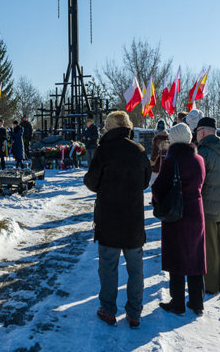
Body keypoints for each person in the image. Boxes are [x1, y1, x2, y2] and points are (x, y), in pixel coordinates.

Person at [83, 111, 151, 328]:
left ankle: (108, 310)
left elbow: (92, 183)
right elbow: (145, 181)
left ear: (109, 128)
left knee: (108, 267)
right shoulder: (138, 150)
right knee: (135, 268)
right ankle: (134, 313)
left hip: (109, 219)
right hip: (133, 219)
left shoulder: (104, 151)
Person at [152, 123, 206, 316]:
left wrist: (159, 203)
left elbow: (157, 188)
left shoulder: (171, 160)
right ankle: (197, 302)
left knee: (177, 257)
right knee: (195, 256)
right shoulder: (199, 159)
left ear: (172, 139)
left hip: (177, 214)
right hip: (196, 213)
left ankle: (178, 304)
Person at [196, 117, 220, 294]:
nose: (196, 136)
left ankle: (210, 286)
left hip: (207, 205)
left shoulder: (204, 151)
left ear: (202, 131)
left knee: (209, 248)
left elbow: (198, 181)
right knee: (218, 245)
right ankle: (217, 283)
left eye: (196, 132)